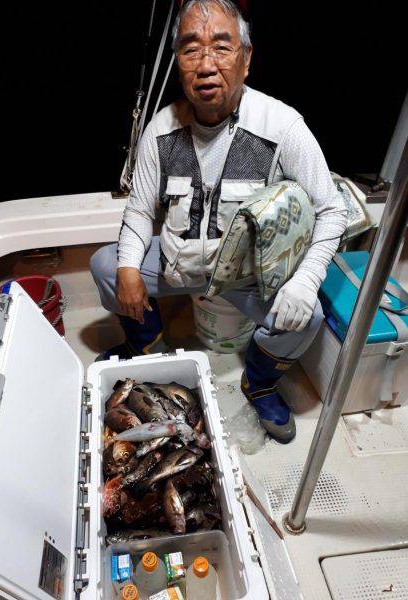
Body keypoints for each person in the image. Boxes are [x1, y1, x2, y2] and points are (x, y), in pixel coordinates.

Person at [91, 0, 348, 443]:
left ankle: (260, 382)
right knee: (105, 266)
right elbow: (138, 209)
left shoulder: (283, 127)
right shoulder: (160, 129)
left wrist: (305, 281)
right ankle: (149, 352)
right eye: (191, 50)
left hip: (246, 278)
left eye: (222, 48)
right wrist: (131, 268)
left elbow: (332, 210)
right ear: (178, 63)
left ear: (246, 60)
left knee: (307, 318)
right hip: (177, 263)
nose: (206, 65)